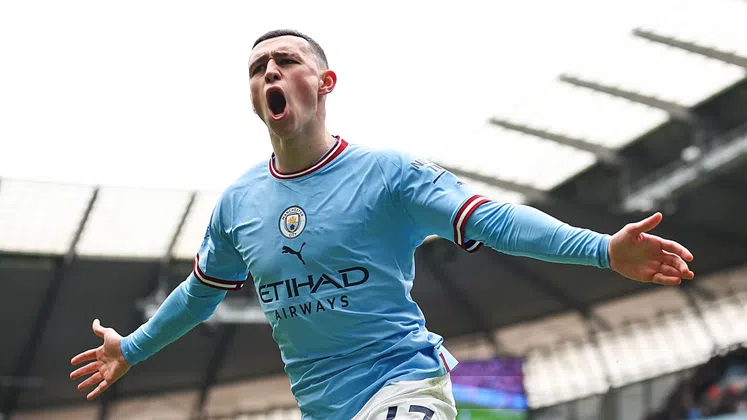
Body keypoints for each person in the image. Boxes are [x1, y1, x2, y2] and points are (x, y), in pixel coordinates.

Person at [69, 29, 695, 419]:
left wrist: (602, 250)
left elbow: (495, 220)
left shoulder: (389, 175)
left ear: (325, 82)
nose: (269, 73)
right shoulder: (239, 203)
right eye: (258, 69)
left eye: (285, 61)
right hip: (321, 407)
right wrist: (134, 348)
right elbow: (199, 294)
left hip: (402, 386)